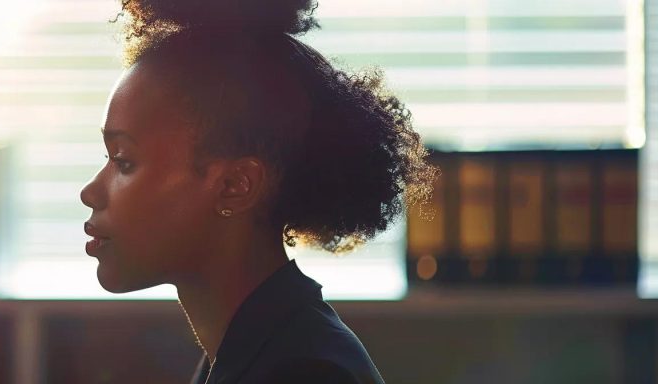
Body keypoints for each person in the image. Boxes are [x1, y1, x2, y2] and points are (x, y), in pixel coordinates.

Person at [79, 0, 438, 382]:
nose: (90, 193)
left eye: (124, 161)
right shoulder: (245, 352)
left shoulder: (305, 373)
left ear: (235, 186)